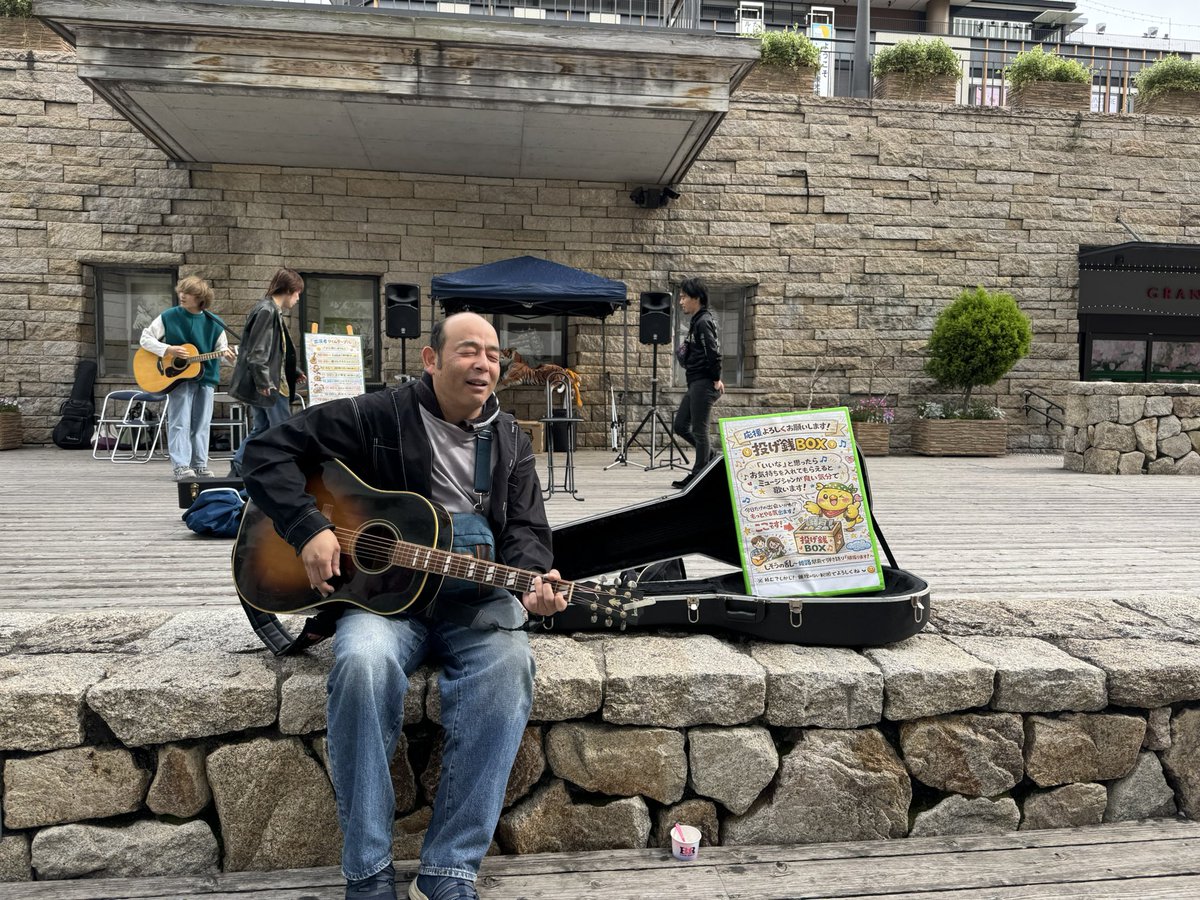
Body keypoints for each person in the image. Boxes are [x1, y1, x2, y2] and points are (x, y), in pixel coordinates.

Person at [241, 311, 568, 900]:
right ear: (431, 359)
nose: (484, 364)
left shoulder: (512, 439)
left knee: (508, 672)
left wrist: (532, 583)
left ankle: (449, 870)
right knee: (362, 665)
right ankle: (367, 871)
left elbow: (525, 531)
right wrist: (308, 525)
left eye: (494, 354)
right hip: (384, 602)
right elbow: (264, 451)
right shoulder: (379, 414)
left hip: (475, 602)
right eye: (469, 351)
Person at [139, 275, 236, 481]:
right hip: (177, 377)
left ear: (200, 298)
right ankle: (181, 466)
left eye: (188, 293)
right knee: (179, 422)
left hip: (206, 377)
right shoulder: (169, 316)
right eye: (181, 291)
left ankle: (200, 464)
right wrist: (168, 350)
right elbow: (145, 338)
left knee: (202, 423)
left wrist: (230, 357)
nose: (182, 295)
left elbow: (223, 352)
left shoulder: (215, 323)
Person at [228, 267, 304, 476]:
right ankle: (281, 472)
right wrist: (263, 382)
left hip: (266, 381)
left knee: (261, 428)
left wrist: (294, 370)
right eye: (298, 293)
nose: (297, 299)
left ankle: (239, 466)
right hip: (270, 384)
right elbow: (258, 351)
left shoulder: (268, 309)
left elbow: (274, 350)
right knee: (282, 429)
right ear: (290, 290)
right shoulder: (267, 311)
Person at [671, 277, 724, 489]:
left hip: (703, 383)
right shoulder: (696, 321)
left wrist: (716, 378)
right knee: (680, 425)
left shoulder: (703, 321)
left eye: (684, 297)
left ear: (697, 298)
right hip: (695, 382)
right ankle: (710, 456)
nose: (680, 301)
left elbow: (714, 353)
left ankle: (697, 476)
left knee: (701, 432)